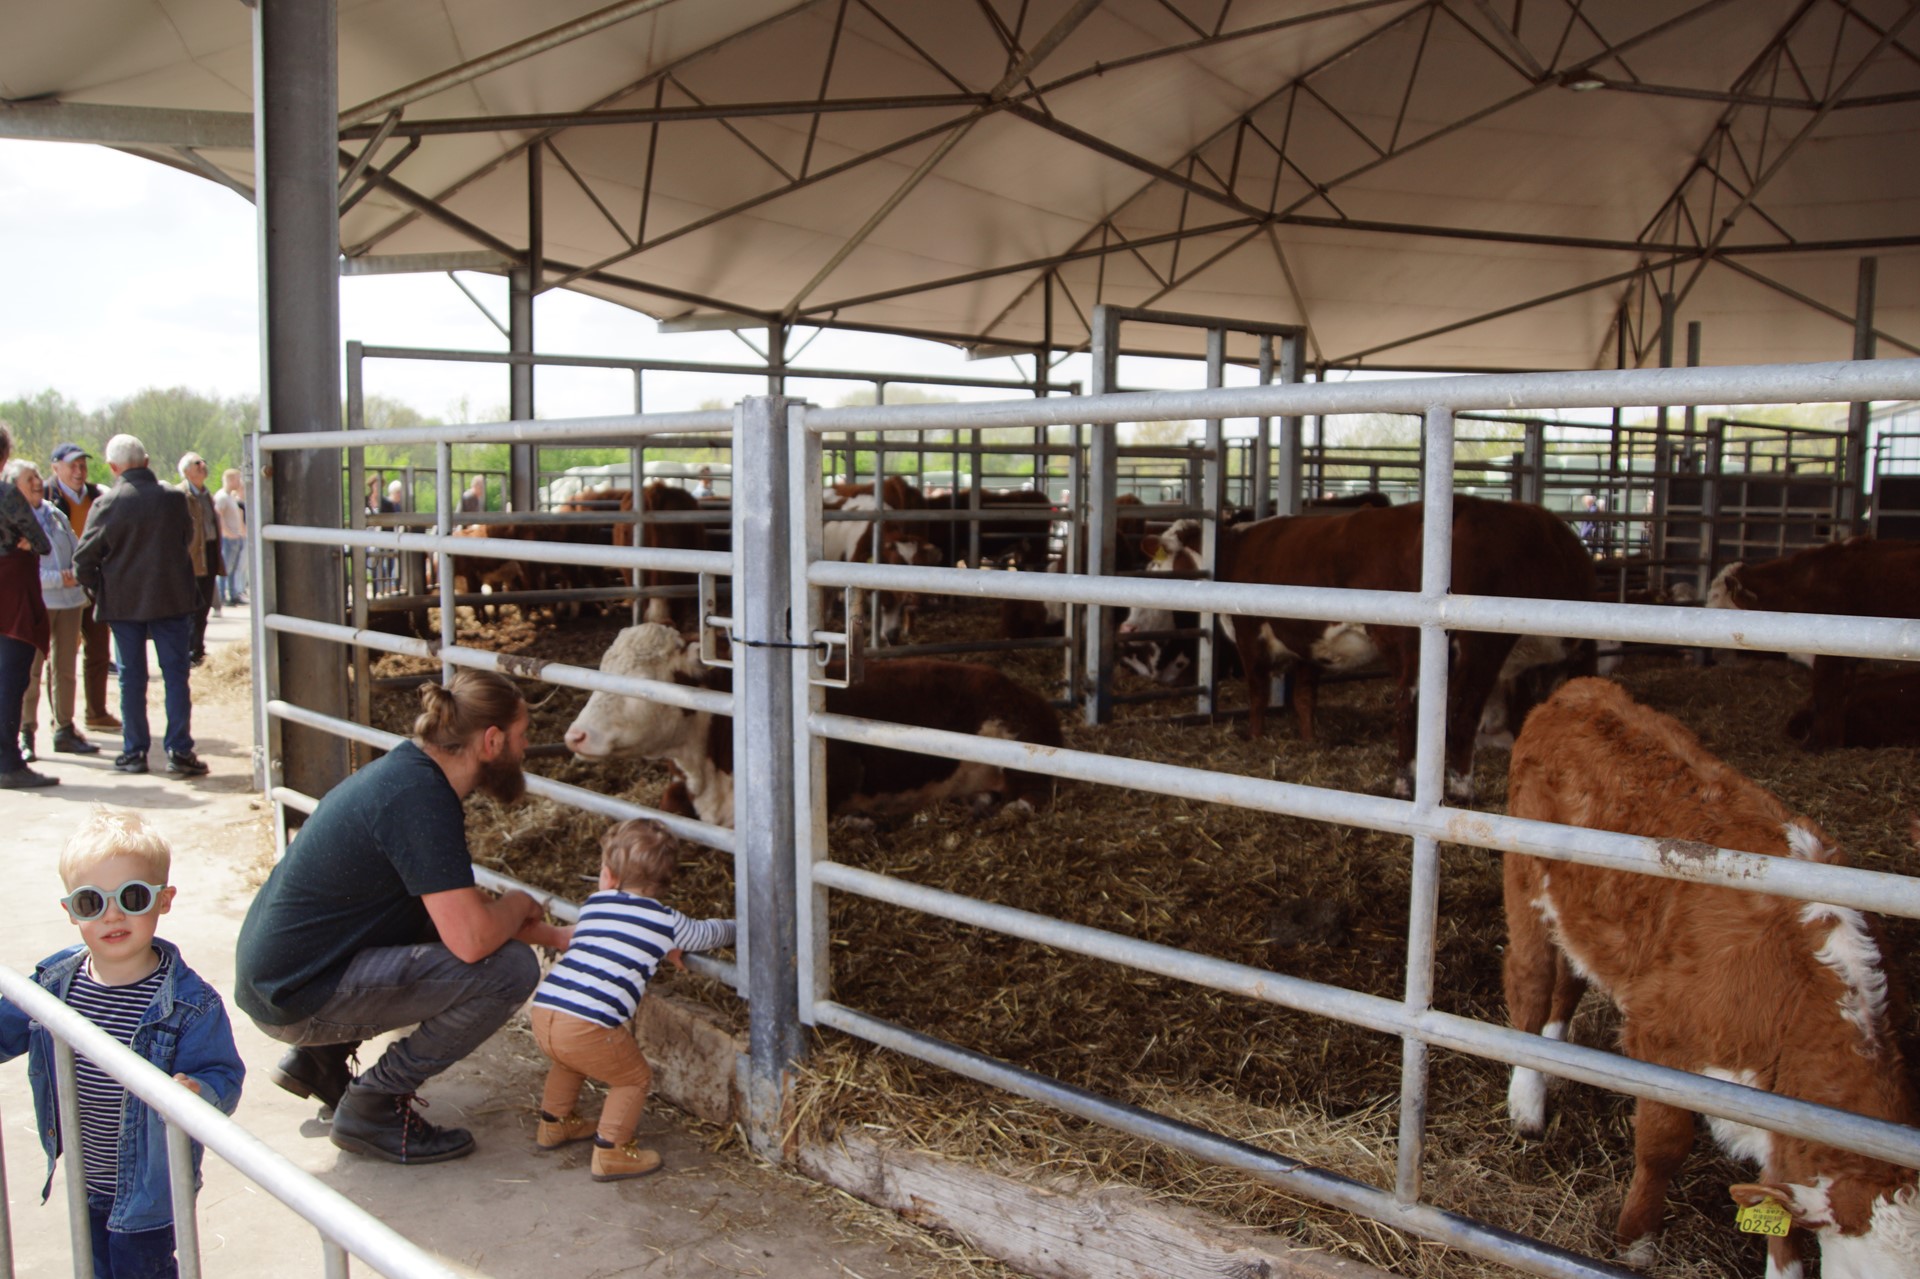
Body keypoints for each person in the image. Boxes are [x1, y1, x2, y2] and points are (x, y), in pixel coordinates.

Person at [234, 669, 568, 1165]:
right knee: (510, 971)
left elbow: (454, 911)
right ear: (492, 741)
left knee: (446, 931)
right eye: (522, 738)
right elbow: (473, 941)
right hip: (297, 996)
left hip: (277, 978)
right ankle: (374, 1105)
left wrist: (550, 932)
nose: (524, 751)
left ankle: (319, 1062)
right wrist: (518, 904)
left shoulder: (409, 773)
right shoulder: (423, 801)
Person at [0, 809, 244, 1278]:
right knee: (94, 1266)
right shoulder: (56, 983)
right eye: (92, 902)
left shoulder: (190, 1004)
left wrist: (197, 1092)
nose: (113, 914)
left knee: (140, 1271)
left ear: (164, 899)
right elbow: (6, 1026)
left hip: (151, 1189)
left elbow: (224, 1076)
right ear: (71, 912)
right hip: (86, 1175)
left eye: (132, 897)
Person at [529, 819, 735, 1182]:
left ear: (607, 876)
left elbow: (620, 936)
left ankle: (554, 1123)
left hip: (546, 1010)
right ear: (665, 882)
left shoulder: (593, 906)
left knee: (569, 1061)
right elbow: (706, 934)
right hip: (587, 1023)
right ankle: (612, 1153)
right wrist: (739, 926)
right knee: (634, 1079)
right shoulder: (665, 920)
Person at [71, 434, 207, 779]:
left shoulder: (108, 503)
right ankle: (179, 752)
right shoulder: (174, 499)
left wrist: (97, 589)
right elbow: (187, 539)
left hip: (123, 603)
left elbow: (84, 558)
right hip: (172, 599)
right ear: (146, 461)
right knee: (176, 675)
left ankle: (134, 753)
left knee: (132, 679)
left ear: (114, 468)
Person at [8, 459, 99, 760]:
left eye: (36, 476)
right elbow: (20, 569)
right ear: (13, 487)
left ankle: (64, 728)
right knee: (30, 673)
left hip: (69, 603)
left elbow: (76, 550)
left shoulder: (55, 515)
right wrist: (59, 579)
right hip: (37, 604)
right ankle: (25, 732)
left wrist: (75, 574)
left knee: (65, 669)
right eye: (28, 478)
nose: (37, 482)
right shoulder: (11, 521)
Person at [45, 443, 119, 736]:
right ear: (56, 468)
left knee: (99, 647)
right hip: (61, 586)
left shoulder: (97, 495)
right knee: (61, 654)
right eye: (72, 465)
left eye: (82, 465)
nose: (79, 471)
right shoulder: (47, 499)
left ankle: (96, 712)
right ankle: (60, 718)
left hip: (93, 582)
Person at [0, 423, 55, 789]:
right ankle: (7, 763)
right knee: (10, 679)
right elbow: (41, 541)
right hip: (9, 594)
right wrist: (26, 541)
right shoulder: (7, 494)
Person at [175, 454, 223, 657]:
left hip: (209, 553)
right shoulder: (180, 495)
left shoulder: (205, 494)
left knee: (204, 606)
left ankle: (198, 648)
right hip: (191, 558)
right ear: (186, 471)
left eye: (204, 462)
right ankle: (188, 649)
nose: (203, 466)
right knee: (191, 606)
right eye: (197, 464)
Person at [212, 469, 247, 607]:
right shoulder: (221, 497)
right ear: (231, 480)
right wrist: (226, 532)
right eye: (237, 479)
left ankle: (233, 595)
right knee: (225, 568)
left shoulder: (230, 496)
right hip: (228, 538)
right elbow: (218, 515)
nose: (239, 482)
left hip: (235, 537)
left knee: (232, 569)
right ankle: (222, 595)